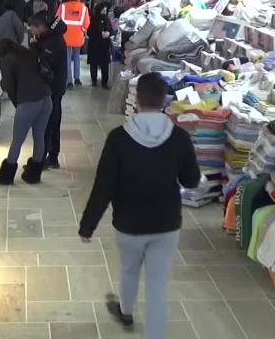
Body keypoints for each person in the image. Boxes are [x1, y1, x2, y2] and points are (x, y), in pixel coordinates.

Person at [78, 72, 201, 339]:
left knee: (128, 269)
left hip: (128, 224)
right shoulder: (179, 137)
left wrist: (87, 226)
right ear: (164, 101)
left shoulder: (118, 138)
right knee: (157, 286)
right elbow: (191, 180)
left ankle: (125, 311)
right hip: (167, 223)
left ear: (137, 100)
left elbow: (104, 187)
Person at [0, 39, 53, 185]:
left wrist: (18, 104)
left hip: (29, 102)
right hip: (46, 99)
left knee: (17, 140)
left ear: (1, 52)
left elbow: (9, 86)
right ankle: (34, 174)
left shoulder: (7, 60)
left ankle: (6, 175)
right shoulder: (27, 53)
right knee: (39, 137)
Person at [28, 11, 68, 169]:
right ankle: (49, 156)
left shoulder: (53, 42)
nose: (33, 32)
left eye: (34, 29)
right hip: (53, 86)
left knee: (49, 122)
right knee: (51, 120)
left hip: (53, 87)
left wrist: (34, 48)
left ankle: (44, 157)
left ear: (42, 27)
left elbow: (44, 65)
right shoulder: (49, 38)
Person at [56, 0, 90, 88]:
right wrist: (82, 30)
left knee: (67, 58)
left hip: (65, 37)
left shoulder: (63, 6)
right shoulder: (83, 8)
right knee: (76, 57)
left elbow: (57, 20)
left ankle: (69, 81)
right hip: (78, 37)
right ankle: (77, 78)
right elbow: (86, 23)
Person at [86, 2, 113, 88]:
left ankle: (104, 82)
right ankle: (94, 81)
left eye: (106, 10)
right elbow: (89, 32)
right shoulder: (93, 19)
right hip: (95, 45)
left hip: (104, 46)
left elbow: (111, 30)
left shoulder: (107, 19)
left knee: (105, 65)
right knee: (94, 64)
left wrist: (108, 33)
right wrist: (99, 34)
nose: (105, 12)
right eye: (103, 10)